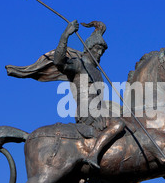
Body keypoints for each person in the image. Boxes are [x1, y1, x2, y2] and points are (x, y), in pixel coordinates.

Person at [52, 20, 125, 169]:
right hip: (87, 112)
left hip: (100, 110)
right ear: (88, 48)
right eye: (97, 49)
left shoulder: (97, 72)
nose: (99, 53)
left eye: (102, 51)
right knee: (119, 124)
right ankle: (93, 154)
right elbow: (59, 61)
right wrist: (66, 35)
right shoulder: (79, 64)